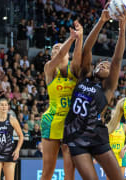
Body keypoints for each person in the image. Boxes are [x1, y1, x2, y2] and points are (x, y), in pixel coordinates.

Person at [64, 4, 126, 180]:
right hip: (75, 136)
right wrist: (101, 21)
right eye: (101, 63)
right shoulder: (84, 75)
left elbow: (117, 60)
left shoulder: (107, 89)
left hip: (97, 136)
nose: (104, 64)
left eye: (107, 66)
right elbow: (87, 48)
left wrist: (122, 30)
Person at [40, 21, 83, 180]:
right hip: (51, 120)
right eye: (54, 49)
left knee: (69, 171)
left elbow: (78, 56)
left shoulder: (74, 70)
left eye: (60, 47)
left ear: (68, 54)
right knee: (47, 171)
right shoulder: (49, 69)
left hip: (70, 122)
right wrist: (71, 39)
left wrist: (80, 37)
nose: (57, 49)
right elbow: (59, 56)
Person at [108, 114, 126, 180]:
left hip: (121, 157)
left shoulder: (124, 127)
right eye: (113, 114)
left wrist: (124, 149)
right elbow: (103, 142)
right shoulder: (107, 127)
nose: (114, 116)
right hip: (110, 156)